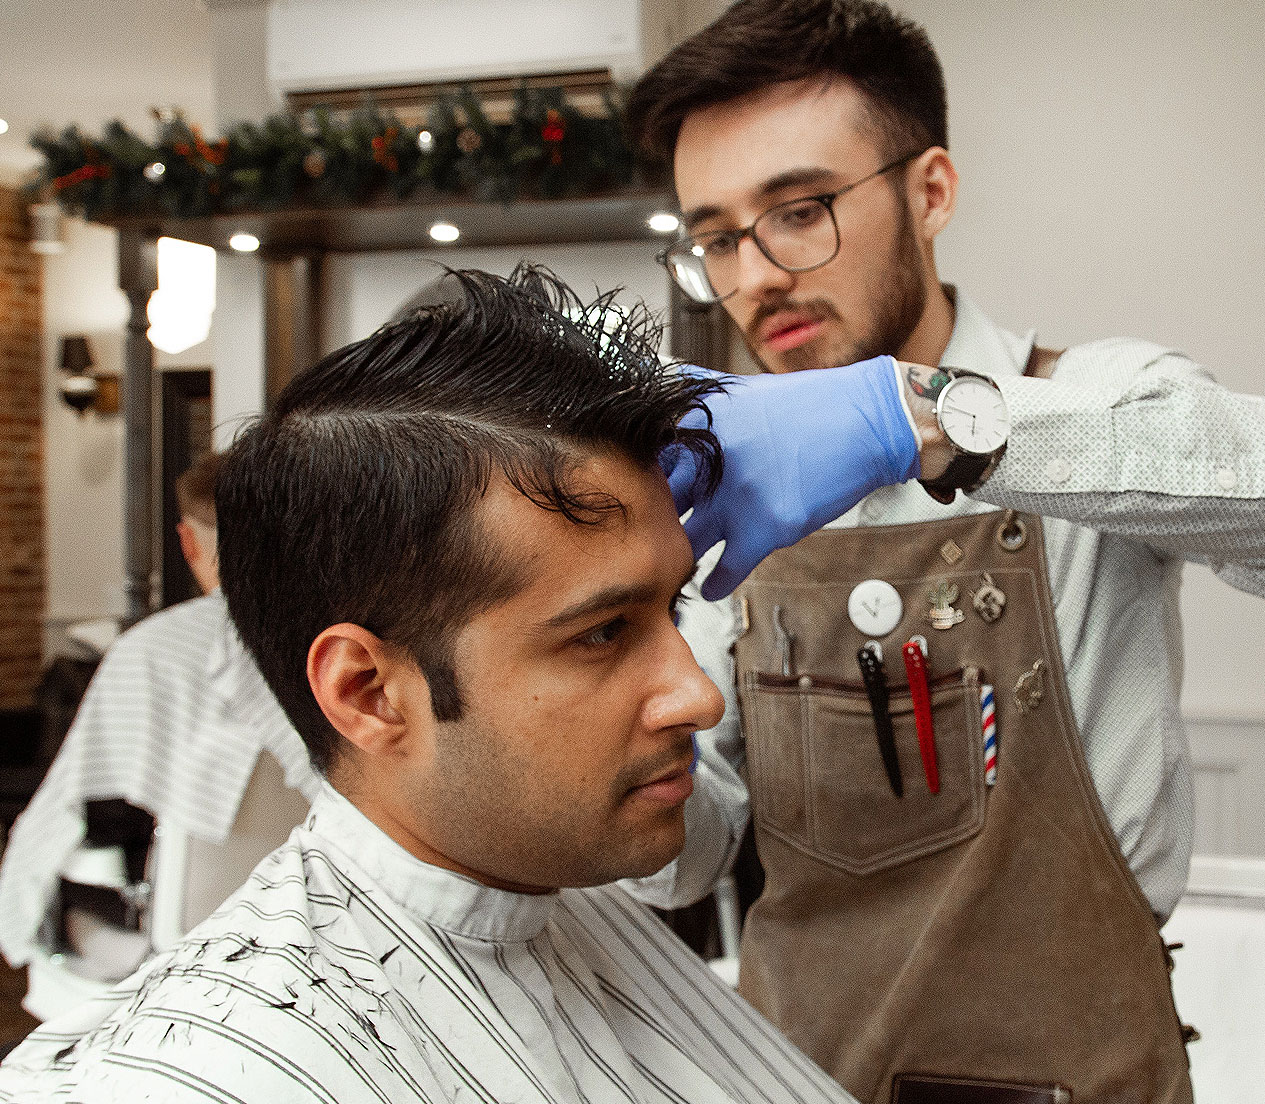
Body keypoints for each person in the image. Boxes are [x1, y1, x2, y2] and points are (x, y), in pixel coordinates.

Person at [0, 267, 855, 1104]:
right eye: (601, 632)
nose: (699, 698)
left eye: (670, 606)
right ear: (368, 692)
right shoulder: (188, 1080)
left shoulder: (554, 895)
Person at [623, 2, 1265, 1102]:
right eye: (717, 237)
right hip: (790, 1074)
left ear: (929, 192)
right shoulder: (722, 490)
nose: (757, 275)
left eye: (800, 210)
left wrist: (933, 423)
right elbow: (699, 836)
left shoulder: (1093, 398)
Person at [0, 452, 317, 974]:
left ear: (189, 544)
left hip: (183, 940)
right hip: (331, 926)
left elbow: (61, 819)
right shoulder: (359, 652)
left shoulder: (154, 652)